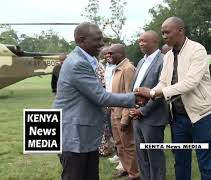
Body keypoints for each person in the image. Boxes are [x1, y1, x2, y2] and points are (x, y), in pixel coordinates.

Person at [53, 22, 148, 180]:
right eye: (98, 40)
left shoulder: (84, 60)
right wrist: (135, 97)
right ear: (81, 40)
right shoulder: (78, 63)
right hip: (74, 137)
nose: (102, 44)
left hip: (84, 136)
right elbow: (101, 97)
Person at [135, 17, 211, 180]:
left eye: (167, 32)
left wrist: (152, 93)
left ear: (180, 30)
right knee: (180, 160)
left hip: (201, 115)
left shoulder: (197, 50)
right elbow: (163, 82)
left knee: (205, 161)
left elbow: (190, 83)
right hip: (179, 116)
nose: (164, 36)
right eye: (162, 33)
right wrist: (150, 93)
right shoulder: (168, 56)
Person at [129, 31, 169, 180]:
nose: (141, 43)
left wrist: (143, 111)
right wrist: (134, 108)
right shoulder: (141, 61)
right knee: (142, 155)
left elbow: (161, 91)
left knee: (154, 156)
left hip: (153, 117)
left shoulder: (164, 60)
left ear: (155, 42)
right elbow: (136, 87)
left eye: (144, 41)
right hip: (137, 116)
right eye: (139, 41)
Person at [107, 44, 139, 180]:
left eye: (111, 53)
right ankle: (126, 169)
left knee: (128, 145)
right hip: (114, 112)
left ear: (119, 54)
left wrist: (125, 119)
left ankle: (135, 173)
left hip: (122, 114)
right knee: (119, 144)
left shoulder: (128, 69)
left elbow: (129, 95)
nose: (108, 56)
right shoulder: (116, 68)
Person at [96, 46, 116, 156]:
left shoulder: (99, 66)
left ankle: (105, 148)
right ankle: (106, 148)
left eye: (110, 53)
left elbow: (102, 84)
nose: (107, 56)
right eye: (105, 54)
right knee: (105, 126)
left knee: (105, 127)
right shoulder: (104, 66)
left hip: (105, 99)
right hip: (103, 99)